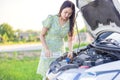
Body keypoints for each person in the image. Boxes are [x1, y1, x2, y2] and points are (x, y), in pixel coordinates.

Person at [37, 0, 75, 80]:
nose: (67, 15)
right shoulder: (51, 19)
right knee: (47, 74)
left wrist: (70, 51)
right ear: (61, 9)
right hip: (48, 50)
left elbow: (70, 40)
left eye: (70, 13)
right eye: (65, 12)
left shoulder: (70, 23)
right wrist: (46, 49)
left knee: (58, 73)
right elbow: (41, 35)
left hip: (60, 51)